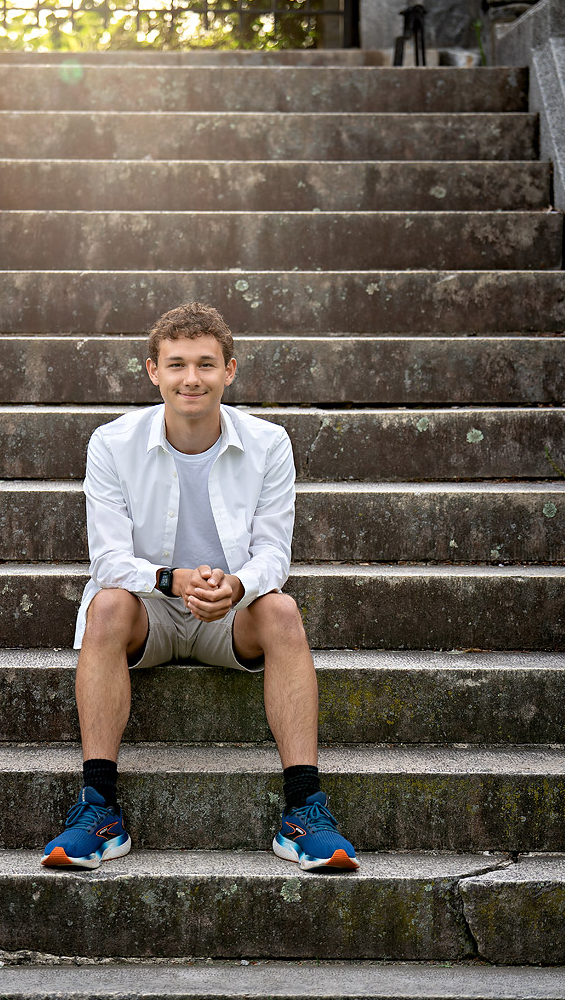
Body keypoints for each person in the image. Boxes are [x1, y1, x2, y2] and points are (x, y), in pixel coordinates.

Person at [42, 303, 358, 872]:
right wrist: (170, 579)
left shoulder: (269, 443)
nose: (192, 378)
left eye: (207, 364)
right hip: (151, 610)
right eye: (177, 364)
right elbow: (108, 560)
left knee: (283, 611)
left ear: (229, 371)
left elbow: (273, 554)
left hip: (229, 613)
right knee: (106, 606)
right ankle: (99, 809)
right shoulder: (111, 443)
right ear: (153, 371)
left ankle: (304, 811)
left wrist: (236, 586)